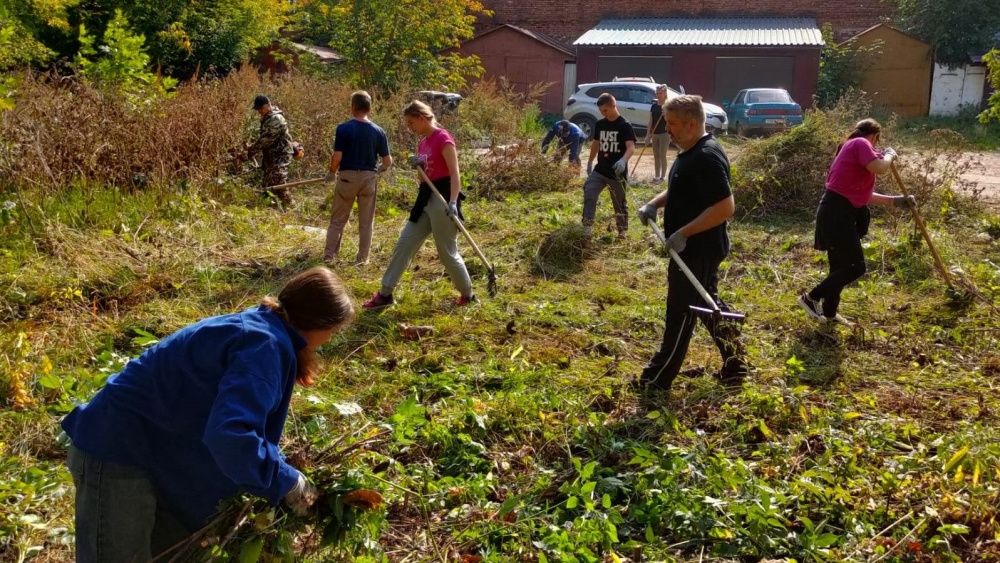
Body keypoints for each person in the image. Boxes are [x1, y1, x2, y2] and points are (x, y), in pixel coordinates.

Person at [61, 267, 355, 562]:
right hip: (118, 450)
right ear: (319, 322)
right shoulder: (264, 345)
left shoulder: (264, 331)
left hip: (155, 453)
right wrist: (285, 482)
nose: (330, 339)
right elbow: (231, 435)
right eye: (334, 331)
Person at [636, 95, 748, 391]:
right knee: (706, 303)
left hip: (698, 249)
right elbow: (681, 189)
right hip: (693, 249)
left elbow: (725, 207)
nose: (668, 130)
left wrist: (684, 232)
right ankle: (737, 363)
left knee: (681, 313)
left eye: (672, 124)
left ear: (693, 123)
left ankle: (656, 380)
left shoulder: (706, 157)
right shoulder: (690, 152)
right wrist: (654, 204)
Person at [798, 118, 913, 324]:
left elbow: (861, 195)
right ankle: (811, 297)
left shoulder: (852, 149)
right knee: (856, 267)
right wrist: (889, 155)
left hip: (836, 212)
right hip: (836, 213)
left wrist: (897, 202)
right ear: (874, 136)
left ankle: (830, 314)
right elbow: (880, 167)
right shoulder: (860, 143)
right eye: (877, 143)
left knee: (839, 267)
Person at [364, 100, 475, 309]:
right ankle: (385, 294)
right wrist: (419, 166)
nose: (410, 127)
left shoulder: (443, 138)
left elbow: (454, 173)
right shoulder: (422, 143)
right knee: (404, 244)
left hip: (443, 198)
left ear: (422, 118)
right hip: (425, 197)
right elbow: (423, 178)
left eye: (411, 122)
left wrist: (453, 202)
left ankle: (468, 295)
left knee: (446, 252)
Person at [323, 91, 393, 265]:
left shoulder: (344, 128)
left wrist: (332, 172)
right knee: (366, 222)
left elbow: (337, 156)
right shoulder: (379, 131)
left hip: (347, 178)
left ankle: (329, 257)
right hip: (369, 179)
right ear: (369, 108)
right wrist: (378, 170)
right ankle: (362, 259)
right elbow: (387, 161)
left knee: (338, 219)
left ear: (353, 107)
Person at [584, 93, 636, 238]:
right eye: (601, 111)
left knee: (619, 203)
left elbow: (631, 147)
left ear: (613, 105)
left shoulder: (624, 125)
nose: (603, 114)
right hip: (600, 170)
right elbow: (596, 144)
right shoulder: (600, 124)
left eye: (605, 110)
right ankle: (587, 228)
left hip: (617, 173)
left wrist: (623, 160)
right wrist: (589, 162)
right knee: (589, 193)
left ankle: (622, 231)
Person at [247, 94, 295, 205]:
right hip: (272, 155)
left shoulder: (276, 119)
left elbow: (266, 139)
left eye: (260, 108)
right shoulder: (268, 117)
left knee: (278, 181)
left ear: (268, 105)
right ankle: (269, 206)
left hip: (281, 155)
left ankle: (290, 205)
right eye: (257, 109)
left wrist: (251, 151)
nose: (259, 111)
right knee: (268, 185)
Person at [645, 85, 669, 183]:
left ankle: (663, 178)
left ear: (665, 93)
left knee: (662, 154)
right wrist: (648, 135)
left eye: (660, 93)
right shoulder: (654, 106)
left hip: (664, 133)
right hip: (654, 133)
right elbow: (651, 121)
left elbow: (671, 121)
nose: (658, 95)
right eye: (657, 93)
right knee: (656, 155)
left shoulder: (668, 106)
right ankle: (656, 176)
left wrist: (665, 115)